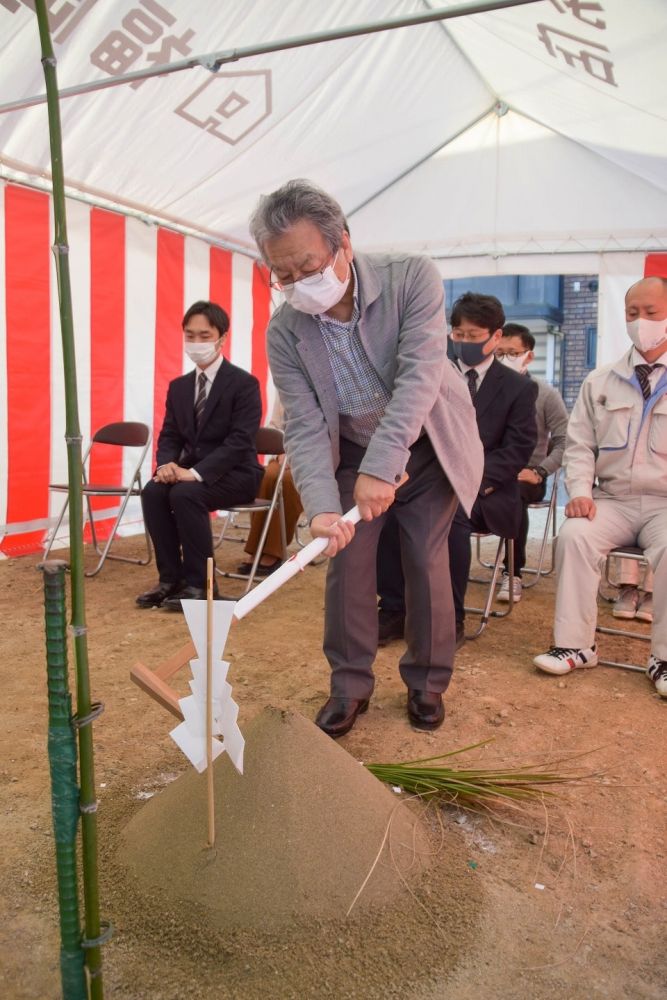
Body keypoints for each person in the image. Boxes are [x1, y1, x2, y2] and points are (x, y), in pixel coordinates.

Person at [249, 179, 484, 737]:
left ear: (344, 245)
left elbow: (419, 378)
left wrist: (384, 468)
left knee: (425, 560)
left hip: (426, 442)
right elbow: (304, 425)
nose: (297, 284)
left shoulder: (411, 277)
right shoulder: (284, 331)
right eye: (281, 275)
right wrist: (322, 509)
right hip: (351, 450)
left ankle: (427, 683)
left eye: (308, 266)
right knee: (346, 561)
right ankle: (349, 686)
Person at [377, 293, 538, 646]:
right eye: (457, 335)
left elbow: (517, 449)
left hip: (485, 489)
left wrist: (468, 478)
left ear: (496, 337)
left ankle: (449, 617)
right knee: (389, 510)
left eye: (473, 335)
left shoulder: (518, 388)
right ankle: (393, 609)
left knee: (450, 520)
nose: (463, 342)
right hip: (424, 478)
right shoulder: (430, 371)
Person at [534, 276, 667, 698]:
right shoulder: (601, 381)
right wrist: (581, 494)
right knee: (573, 536)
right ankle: (575, 646)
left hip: (665, 505)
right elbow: (579, 446)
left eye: (651, 313)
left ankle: (662, 659)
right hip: (611, 500)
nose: (640, 321)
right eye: (632, 313)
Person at [136, 301, 263, 611]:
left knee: (185, 494)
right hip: (190, 475)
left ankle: (202, 585)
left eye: (204, 335)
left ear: (222, 338)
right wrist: (166, 464)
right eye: (189, 335)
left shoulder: (244, 384)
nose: (196, 343)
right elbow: (170, 435)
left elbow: (239, 441)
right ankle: (172, 579)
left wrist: (192, 473)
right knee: (153, 490)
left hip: (238, 474)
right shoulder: (179, 387)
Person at [494, 323, 569, 603]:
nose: (504, 359)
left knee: (512, 494)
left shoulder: (545, 394)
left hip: (526, 476)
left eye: (512, 353)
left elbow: (565, 441)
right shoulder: (483, 388)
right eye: (499, 353)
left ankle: (512, 572)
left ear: (529, 356)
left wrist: (540, 471)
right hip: (489, 471)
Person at [236, 397, 303, 577]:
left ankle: (273, 551)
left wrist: (295, 453)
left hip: (312, 456)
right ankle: (257, 548)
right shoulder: (286, 384)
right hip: (284, 452)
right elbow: (274, 425)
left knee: (287, 482)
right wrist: (282, 450)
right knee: (266, 476)